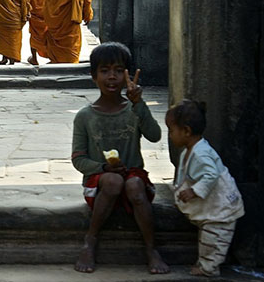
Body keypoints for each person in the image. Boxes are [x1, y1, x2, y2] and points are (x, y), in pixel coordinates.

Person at [71, 42, 170, 274]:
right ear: (93, 76)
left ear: (128, 75)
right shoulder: (85, 116)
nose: (112, 77)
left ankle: (151, 249)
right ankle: (90, 241)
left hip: (133, 178)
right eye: (104, 71)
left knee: (134, 184)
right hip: (99, 183)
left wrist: (139, 104)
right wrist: (103, 167)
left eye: (118, 70)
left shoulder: (133, 109)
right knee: (113, 181)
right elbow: (78, 159)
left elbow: (155, 136)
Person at [166, 100, 245, 277]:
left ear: (186, 131)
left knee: (213, 240)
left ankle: (209, 268)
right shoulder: (189, 150)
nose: (170, 135)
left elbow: (211, 174)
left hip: (222, 208)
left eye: (171, 131)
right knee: (208, 237)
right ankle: (206, 263)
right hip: (214, 207)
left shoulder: (200, 154)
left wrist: (194, 191)